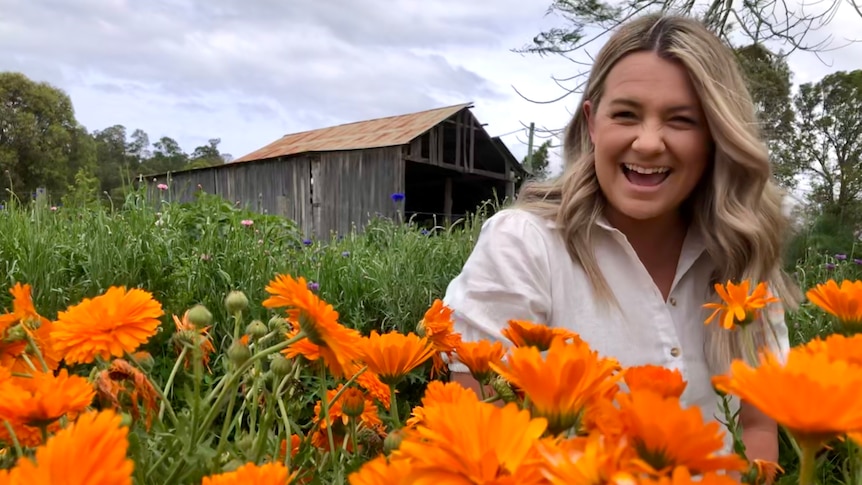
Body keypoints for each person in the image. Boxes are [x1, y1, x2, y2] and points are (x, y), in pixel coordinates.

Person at [442, 13, 800, 464]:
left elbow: (756, 425)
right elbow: (479, 431)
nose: (648, 143)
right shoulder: (524, 245)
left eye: (681, 120)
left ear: (715, 136)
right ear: (593, 124)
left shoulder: (742, 260)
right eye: (626, 114)